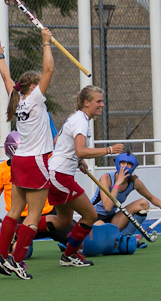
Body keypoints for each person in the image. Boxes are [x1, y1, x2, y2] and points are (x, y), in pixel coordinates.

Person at [0, 28, 55, 280]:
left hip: (19, 162)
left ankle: (2, 255)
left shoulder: (16, 98)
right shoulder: (35, 99)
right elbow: (48, 70)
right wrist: (45, 42)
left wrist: (0, 55)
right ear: (34, 87)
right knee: (34, 216)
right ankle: (16, 261)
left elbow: (6, 76)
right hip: (37, 161)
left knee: (14, 212)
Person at [45, 85, 124, 268]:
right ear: (86, 103)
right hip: (61, 175)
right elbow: (80, 148)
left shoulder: (76, 117)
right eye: (98, 101)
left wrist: (76, 158)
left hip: (57, 172)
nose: (102, 105)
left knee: (63, 221)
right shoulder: (80, 121)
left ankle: (23, 229)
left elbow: (59, 142)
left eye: (102, 101)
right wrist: (109, 150)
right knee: (90, 215)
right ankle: (69, 255)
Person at [0, 131, 73, 255]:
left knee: (83, 243)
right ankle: (12, 245)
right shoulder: (2, 169)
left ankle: (64, 242)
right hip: (21, 219)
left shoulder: (46, 160)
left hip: (49, 215)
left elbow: (60, 158)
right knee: (19, 252)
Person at [91, 151, 161, 248]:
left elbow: (151, 197)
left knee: (143, 204)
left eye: (129, 164)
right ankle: (114, 241)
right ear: (117, 163)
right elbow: (108, 207)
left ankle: (125, 240)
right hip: (94, 217)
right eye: (122, 163)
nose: (125, 167)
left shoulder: (134, 182)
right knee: (104, 232)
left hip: (112, 218)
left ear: (133, 167)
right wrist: (117, 184)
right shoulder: (106, 178)